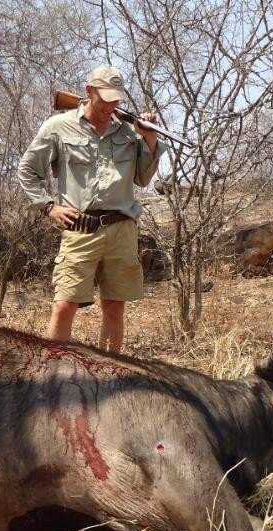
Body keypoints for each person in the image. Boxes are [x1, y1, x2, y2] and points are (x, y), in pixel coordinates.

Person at [17, 65, 166, 352]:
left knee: (114, 307)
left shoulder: (127, 131)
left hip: (121, 228)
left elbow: (143, 178)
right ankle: (52, 380)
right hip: (80, 228)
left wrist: (148, 138)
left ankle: (108, 380)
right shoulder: (58, 127)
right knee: (64, 304)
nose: (111, 104)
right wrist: (49, 207)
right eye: (106, 97)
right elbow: (27, 171)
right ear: (88, 91)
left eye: (117, 99)